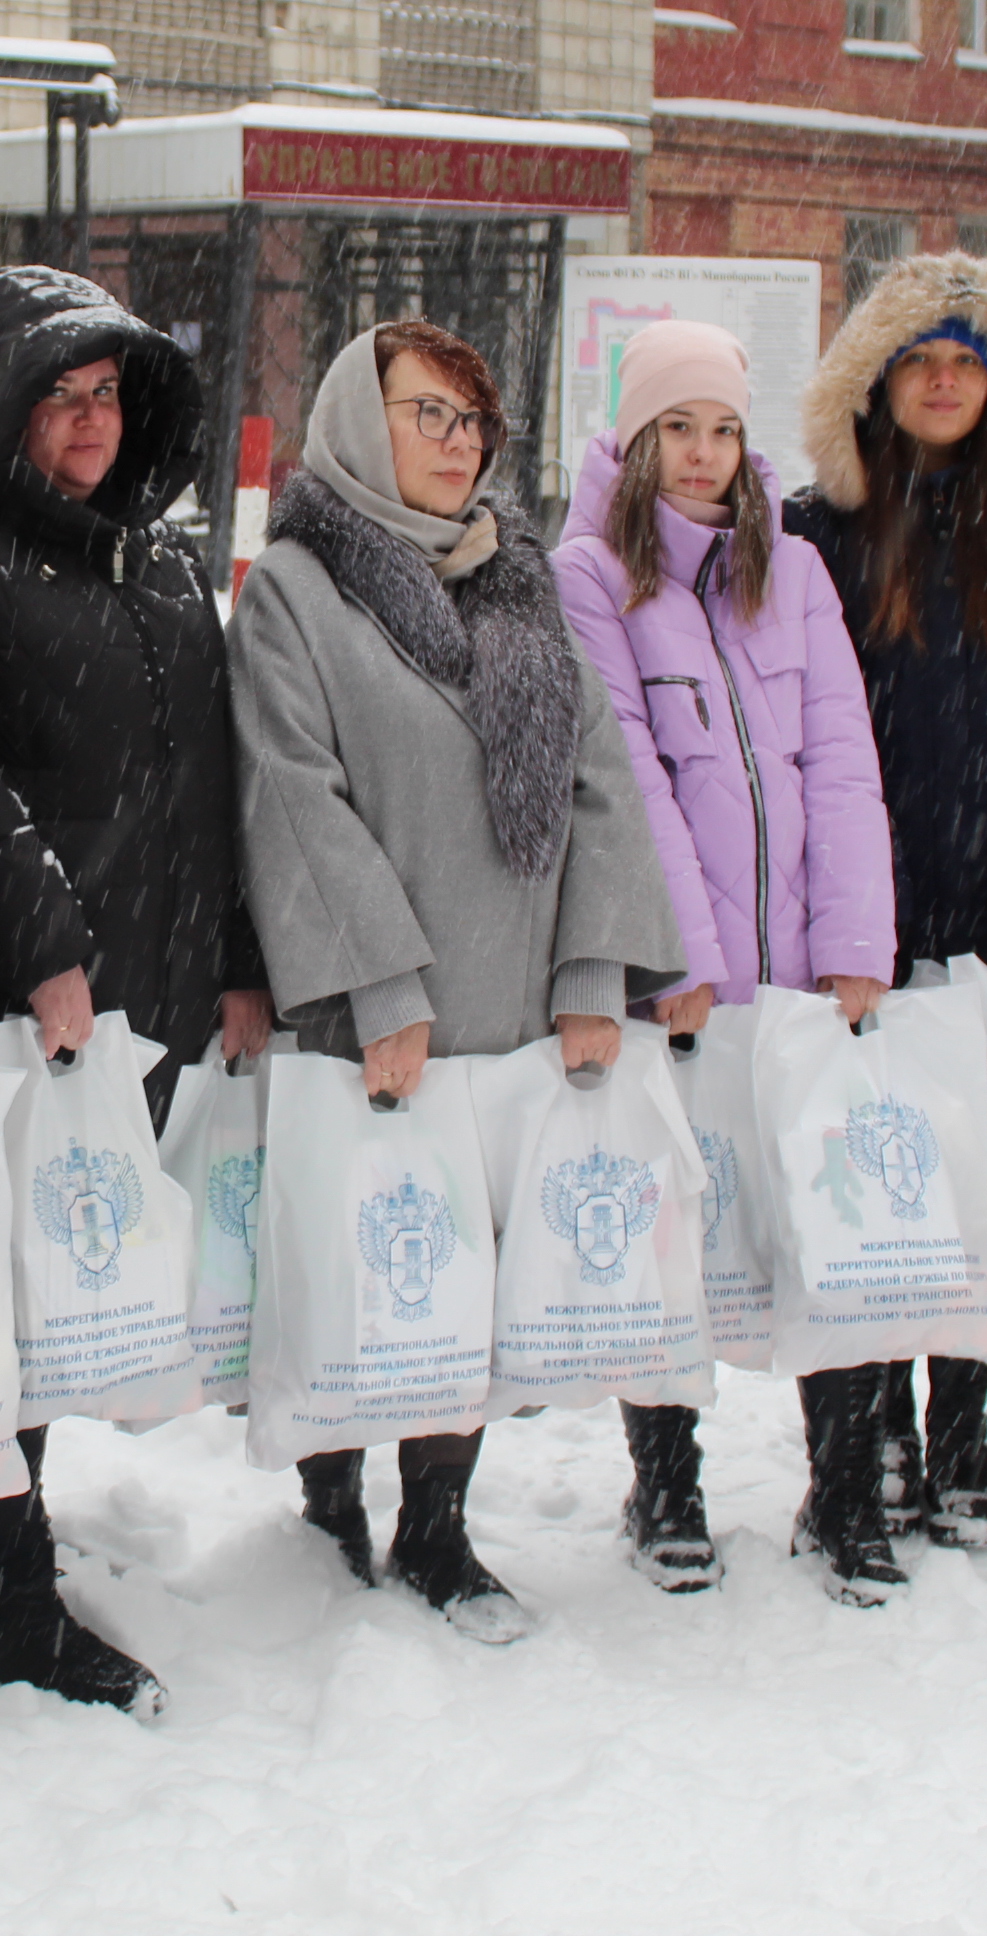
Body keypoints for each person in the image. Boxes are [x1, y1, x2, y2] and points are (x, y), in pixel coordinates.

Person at [232, 320, 682, 1643]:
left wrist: (595, 964)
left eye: (470, 422)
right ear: (362, 425)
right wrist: (380, 988)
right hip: (384, 1006)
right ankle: (331, 1486)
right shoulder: (298, 591)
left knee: (463, 1278)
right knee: (376, 1247)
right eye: (425, 416)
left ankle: (436, 1529)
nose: (454, 444)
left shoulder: (517, 581)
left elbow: (601, 778)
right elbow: (294, 796)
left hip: (515, 1006)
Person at [0, 266, 273, 1718]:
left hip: (153, 988)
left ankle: (4, 1518)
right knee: (11, 1294)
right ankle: (9, 1588)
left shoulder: (166, 560)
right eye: (55, 395)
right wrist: (42, 935)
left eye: (107, 392)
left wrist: (237, 954)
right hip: (30, 996)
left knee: (70, 1283)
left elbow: (216, 778)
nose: (88, 423)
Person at [550, 320, 895, 1596]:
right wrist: (676, 955)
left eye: (725, 429)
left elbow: (844, 757)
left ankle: (846, 1486)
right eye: (677, 428)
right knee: (678, 1237)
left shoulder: (792, 571)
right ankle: (669, 1482)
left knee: (831, 1218)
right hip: (684, 988)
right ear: (635, 438)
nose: (703, 456)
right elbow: (626, 773)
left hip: (807, 970)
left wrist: (857, 942)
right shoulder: (590, 574)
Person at [783, 252, 987, 1588]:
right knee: (855, 1190)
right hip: (849, 927)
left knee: (970, 1193)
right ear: (877, 381)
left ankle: (958, 1434)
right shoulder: (818, 532)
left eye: (967, 364)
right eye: (918, 361)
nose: (941, 384)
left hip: (982, 921)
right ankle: (853, 1458)